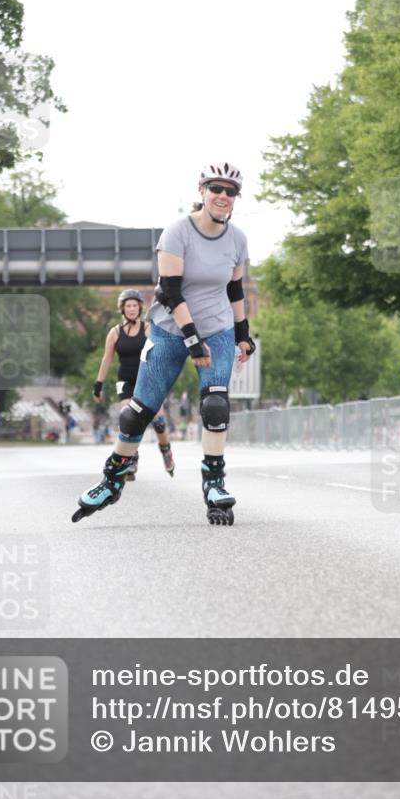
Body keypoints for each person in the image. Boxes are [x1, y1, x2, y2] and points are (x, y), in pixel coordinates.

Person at [73, 161, 256, 526]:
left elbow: (235, 290)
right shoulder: (177, 232)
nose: (222, 196)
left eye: (230, 191)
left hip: (217, 329)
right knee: (137, 412)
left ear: (236, 199)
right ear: (202, 191)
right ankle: (111, 479)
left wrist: (242, 333)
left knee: (215, 404)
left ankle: (214, 485)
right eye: (215, 189)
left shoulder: (237, 238)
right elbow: (168, 291)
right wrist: (191, 340)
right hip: (171, 331)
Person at [91, 289, 175, 476]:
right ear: (122, 308)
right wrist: (98, 384)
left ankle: (166, 450)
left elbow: (160, 352)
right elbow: (106, 359)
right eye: (128, 306)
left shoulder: (147, 328)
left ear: (139, 308)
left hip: (148, 378)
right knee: (128, 420)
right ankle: (131, 460)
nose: (131, 309)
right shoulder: (114, 333)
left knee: (159, 422)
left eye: (134, 305)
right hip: (126, 381)